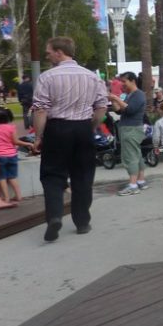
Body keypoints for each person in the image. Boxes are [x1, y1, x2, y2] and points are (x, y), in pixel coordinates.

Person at [31, 36, 109, 241]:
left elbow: (40, 110)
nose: (47, 55)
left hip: (57, 129)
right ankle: (82, 221)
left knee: (52, 175)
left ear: (59, 52)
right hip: (83, 128)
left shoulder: (47, 77)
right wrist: (90, 127)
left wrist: (38, 136)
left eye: (49, 52)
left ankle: (55, 216)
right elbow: (101, 107)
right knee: (83, 175)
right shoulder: (92, 77)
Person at [107, 72, 149, 195]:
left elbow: (129, 109)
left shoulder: (139, 95)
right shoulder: (130, 95)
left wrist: (116, 98)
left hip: (131, 129)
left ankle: (132, 185)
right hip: (129, 128)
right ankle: (140, 181)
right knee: (137, 155)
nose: (122, 84)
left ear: (133, 81)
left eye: (124, 81)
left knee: (130, 156)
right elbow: (120, 111)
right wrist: (114, 100)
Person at [0, 106, 34, 203]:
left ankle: (6, 198)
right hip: (12, 155)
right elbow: (15, 141)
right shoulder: (11, 127)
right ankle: (18, 196)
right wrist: (28, 143)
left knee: (2, 177)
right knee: (12, 177)